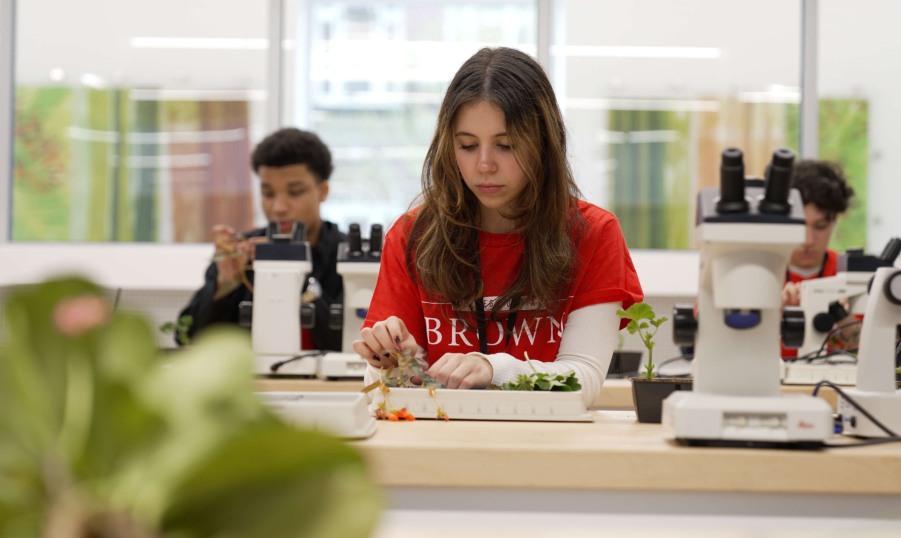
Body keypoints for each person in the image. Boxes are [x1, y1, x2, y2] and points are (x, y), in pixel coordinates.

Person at [352, 47, 644, 407]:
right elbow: (390, 389)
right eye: (468, 146)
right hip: (439, 447)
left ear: (543, 144)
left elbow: (583, 380)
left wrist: (495, 368)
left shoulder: (593, 233)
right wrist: (392, 363)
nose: (485, 165)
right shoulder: (414, 235)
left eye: (506, 146)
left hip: (546, 450)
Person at [177, 127, 345, 351]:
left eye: (295, 192)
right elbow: (187, 338)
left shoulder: (348, 255)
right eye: (268, 194)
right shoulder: (242, 253)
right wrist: (225, 285)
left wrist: (294, 273)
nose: (278, 208)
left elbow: (351, 342)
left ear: (323, 191)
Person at [779, 160, 855, 358]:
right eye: (798, 227)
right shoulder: (758, 272)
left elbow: (878, 356)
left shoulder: (853, 278)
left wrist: (842, 316)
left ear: (835, 221)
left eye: (820, 227)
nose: (808, 241)